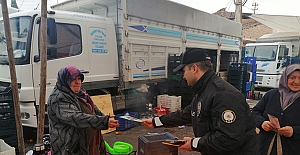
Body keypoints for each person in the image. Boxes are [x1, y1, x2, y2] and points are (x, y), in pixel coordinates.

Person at [142, 48, 258, 155]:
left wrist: (194, 144)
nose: (184, 76)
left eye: (184, 71)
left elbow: (228, 138)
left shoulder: (223, 95)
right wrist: (156, 121)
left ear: (194, 68)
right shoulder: (204, 89)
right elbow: (188, 113)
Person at [47, 66, 119, 155]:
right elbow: (75, 118)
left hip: (88, 142)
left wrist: (105, 117)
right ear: (64, 80)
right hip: (69, 147)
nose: (77, 82)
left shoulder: (80, 93)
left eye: (79, 79)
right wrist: (103, 121)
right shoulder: (58, 98)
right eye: (73, 79)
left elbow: (93, 109)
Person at [252, 64, 300, 155]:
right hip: (265, 147)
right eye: (292, 77)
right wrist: (262, 123)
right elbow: (255, 112)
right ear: (285, 78)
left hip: (293, 149)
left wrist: (294, 131)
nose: (296, 82)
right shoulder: (272, 94)